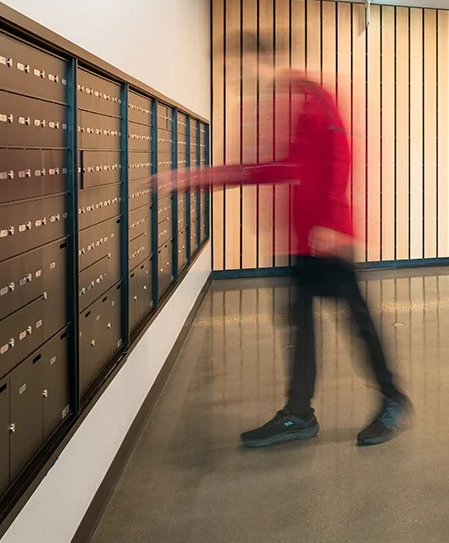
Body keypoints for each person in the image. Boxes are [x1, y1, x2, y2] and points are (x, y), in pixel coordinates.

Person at [160, 30, 409, 448]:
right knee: (300, 324)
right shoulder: (270, 106)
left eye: (235, 67)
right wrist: (194, 180)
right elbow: (265, 168)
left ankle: (391, 399)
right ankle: (299, 413)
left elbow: (340, 153)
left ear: (259, 59)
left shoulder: (310, 94)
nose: (232, 77)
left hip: (328, 238)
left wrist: (329, 221)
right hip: (299, 241)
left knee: (357, 323)